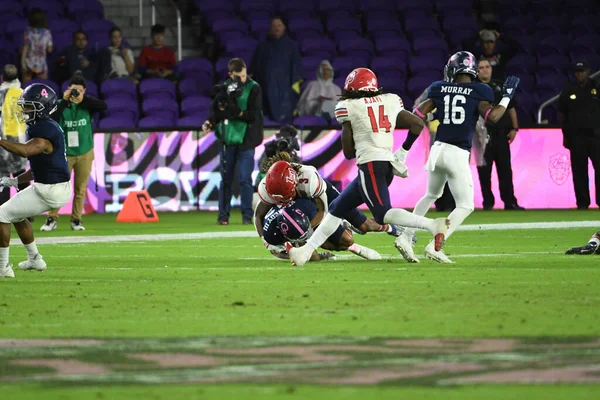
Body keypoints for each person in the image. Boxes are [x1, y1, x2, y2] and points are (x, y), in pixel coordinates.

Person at [287, 68, 450, 267]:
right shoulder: (390, 100)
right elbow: (417, 123)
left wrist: (355, 133)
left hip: (370, 166)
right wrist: (403, 151)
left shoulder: (349, 106)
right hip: (386, 165)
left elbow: (348, 152)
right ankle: (305, 251)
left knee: (382, 214)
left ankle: (433, 225)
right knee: (336, 207)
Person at [395, 52, 520, 264]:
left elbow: (417, 114)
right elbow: (493, 117)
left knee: (431, 195)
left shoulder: (439, 87)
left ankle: (406, 237)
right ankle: (435, 245)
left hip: (437, 149)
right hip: (456, 153)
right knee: (465, 205)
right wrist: (507, 96)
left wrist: (438, 114)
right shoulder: (481, 90)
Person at [0, 83, 72, 278]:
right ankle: (35, 259)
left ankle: (3, 268)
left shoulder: (43, 131)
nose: (25, 110)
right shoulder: (46, 126)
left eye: (29, 106)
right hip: (53, 186)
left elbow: (26, 151)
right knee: (15, 213)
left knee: (1, 215)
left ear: (42, 108)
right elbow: (43, 166)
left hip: (50, 190)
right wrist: (17, 181)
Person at [40, 73, 107, 232]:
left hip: (84, 153)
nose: (75, 93)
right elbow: (51, 119)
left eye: (79, 90)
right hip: (64, 153)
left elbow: (104, 106)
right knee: (58, 187)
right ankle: (52, 218)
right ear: (68, 89)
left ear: (84, 91)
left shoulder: (87, 105)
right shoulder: (60, 105)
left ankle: (76, 220)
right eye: (73, 90)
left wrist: (83, 99)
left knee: (80, 188)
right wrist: (64, 100)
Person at [202, 58, 263, 225]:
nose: (242, 79)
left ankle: (247, 216)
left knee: (245, 178)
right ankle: (223, 216)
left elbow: (253, 115)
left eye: (243, 75)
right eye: (238, 76)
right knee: (226, 178)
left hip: (246, 140)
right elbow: (217, 111)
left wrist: (235, 111)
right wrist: (210, 122)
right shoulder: (224, 89)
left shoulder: (254, 87)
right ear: (230, 74)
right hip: (227, 140)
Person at [262, 198, 380, 262]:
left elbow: (322, 211)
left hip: (311, 220)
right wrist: (283, 251)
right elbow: (258, 215)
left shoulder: (306, 206)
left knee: (347, 240)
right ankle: (353, 248)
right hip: (293, 231)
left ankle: (343, 223)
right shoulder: (271, 234)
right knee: (313, 257)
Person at [475, 59, 524, 210]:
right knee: (484, 172)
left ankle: (510, 201)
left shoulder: (500, 85)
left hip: (501, 134)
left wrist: (515, 128)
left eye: (487, 67)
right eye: (481, 67)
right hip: (481, 137)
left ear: (491, 69)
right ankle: (487, 202)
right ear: (476, 71)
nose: (484, 70)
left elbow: (510, 107)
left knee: (505, 170)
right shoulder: (474, 88)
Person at [558, 61, 600, 210]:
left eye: (582, 71)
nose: (579, 74)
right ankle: (582, 202)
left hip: (596, 136)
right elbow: (562, 113)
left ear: (588, 71)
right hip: (577, 137)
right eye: (577, 71)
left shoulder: (597, 87)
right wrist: (565, 134)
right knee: (579, 171)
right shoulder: (569, 90)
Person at [250, 17, 303, 122]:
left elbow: (296, 72)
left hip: (285, 93)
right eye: (273, 26)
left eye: (279, 26)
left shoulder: (292, 46)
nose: (276, 29)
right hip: (264, 91)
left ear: (284, 27)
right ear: (269, 28)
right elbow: (254, 70)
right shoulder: (262, 47)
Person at [0, 65, 31, 211]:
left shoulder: (0, 94)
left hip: (3, 142)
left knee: (2, 178)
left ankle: (2, 211)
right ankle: (26, 212)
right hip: (21, 141)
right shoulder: (24, 94)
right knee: (22, 177)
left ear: (3, 77)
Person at [20, 8, 53, 83]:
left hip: (28, 63)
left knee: (26, 88)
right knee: (43, 87)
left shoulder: (28, 31)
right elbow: (49, 50)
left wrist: (22, 62)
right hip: (41, 65)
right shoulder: (47, 32)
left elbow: (25, 47)